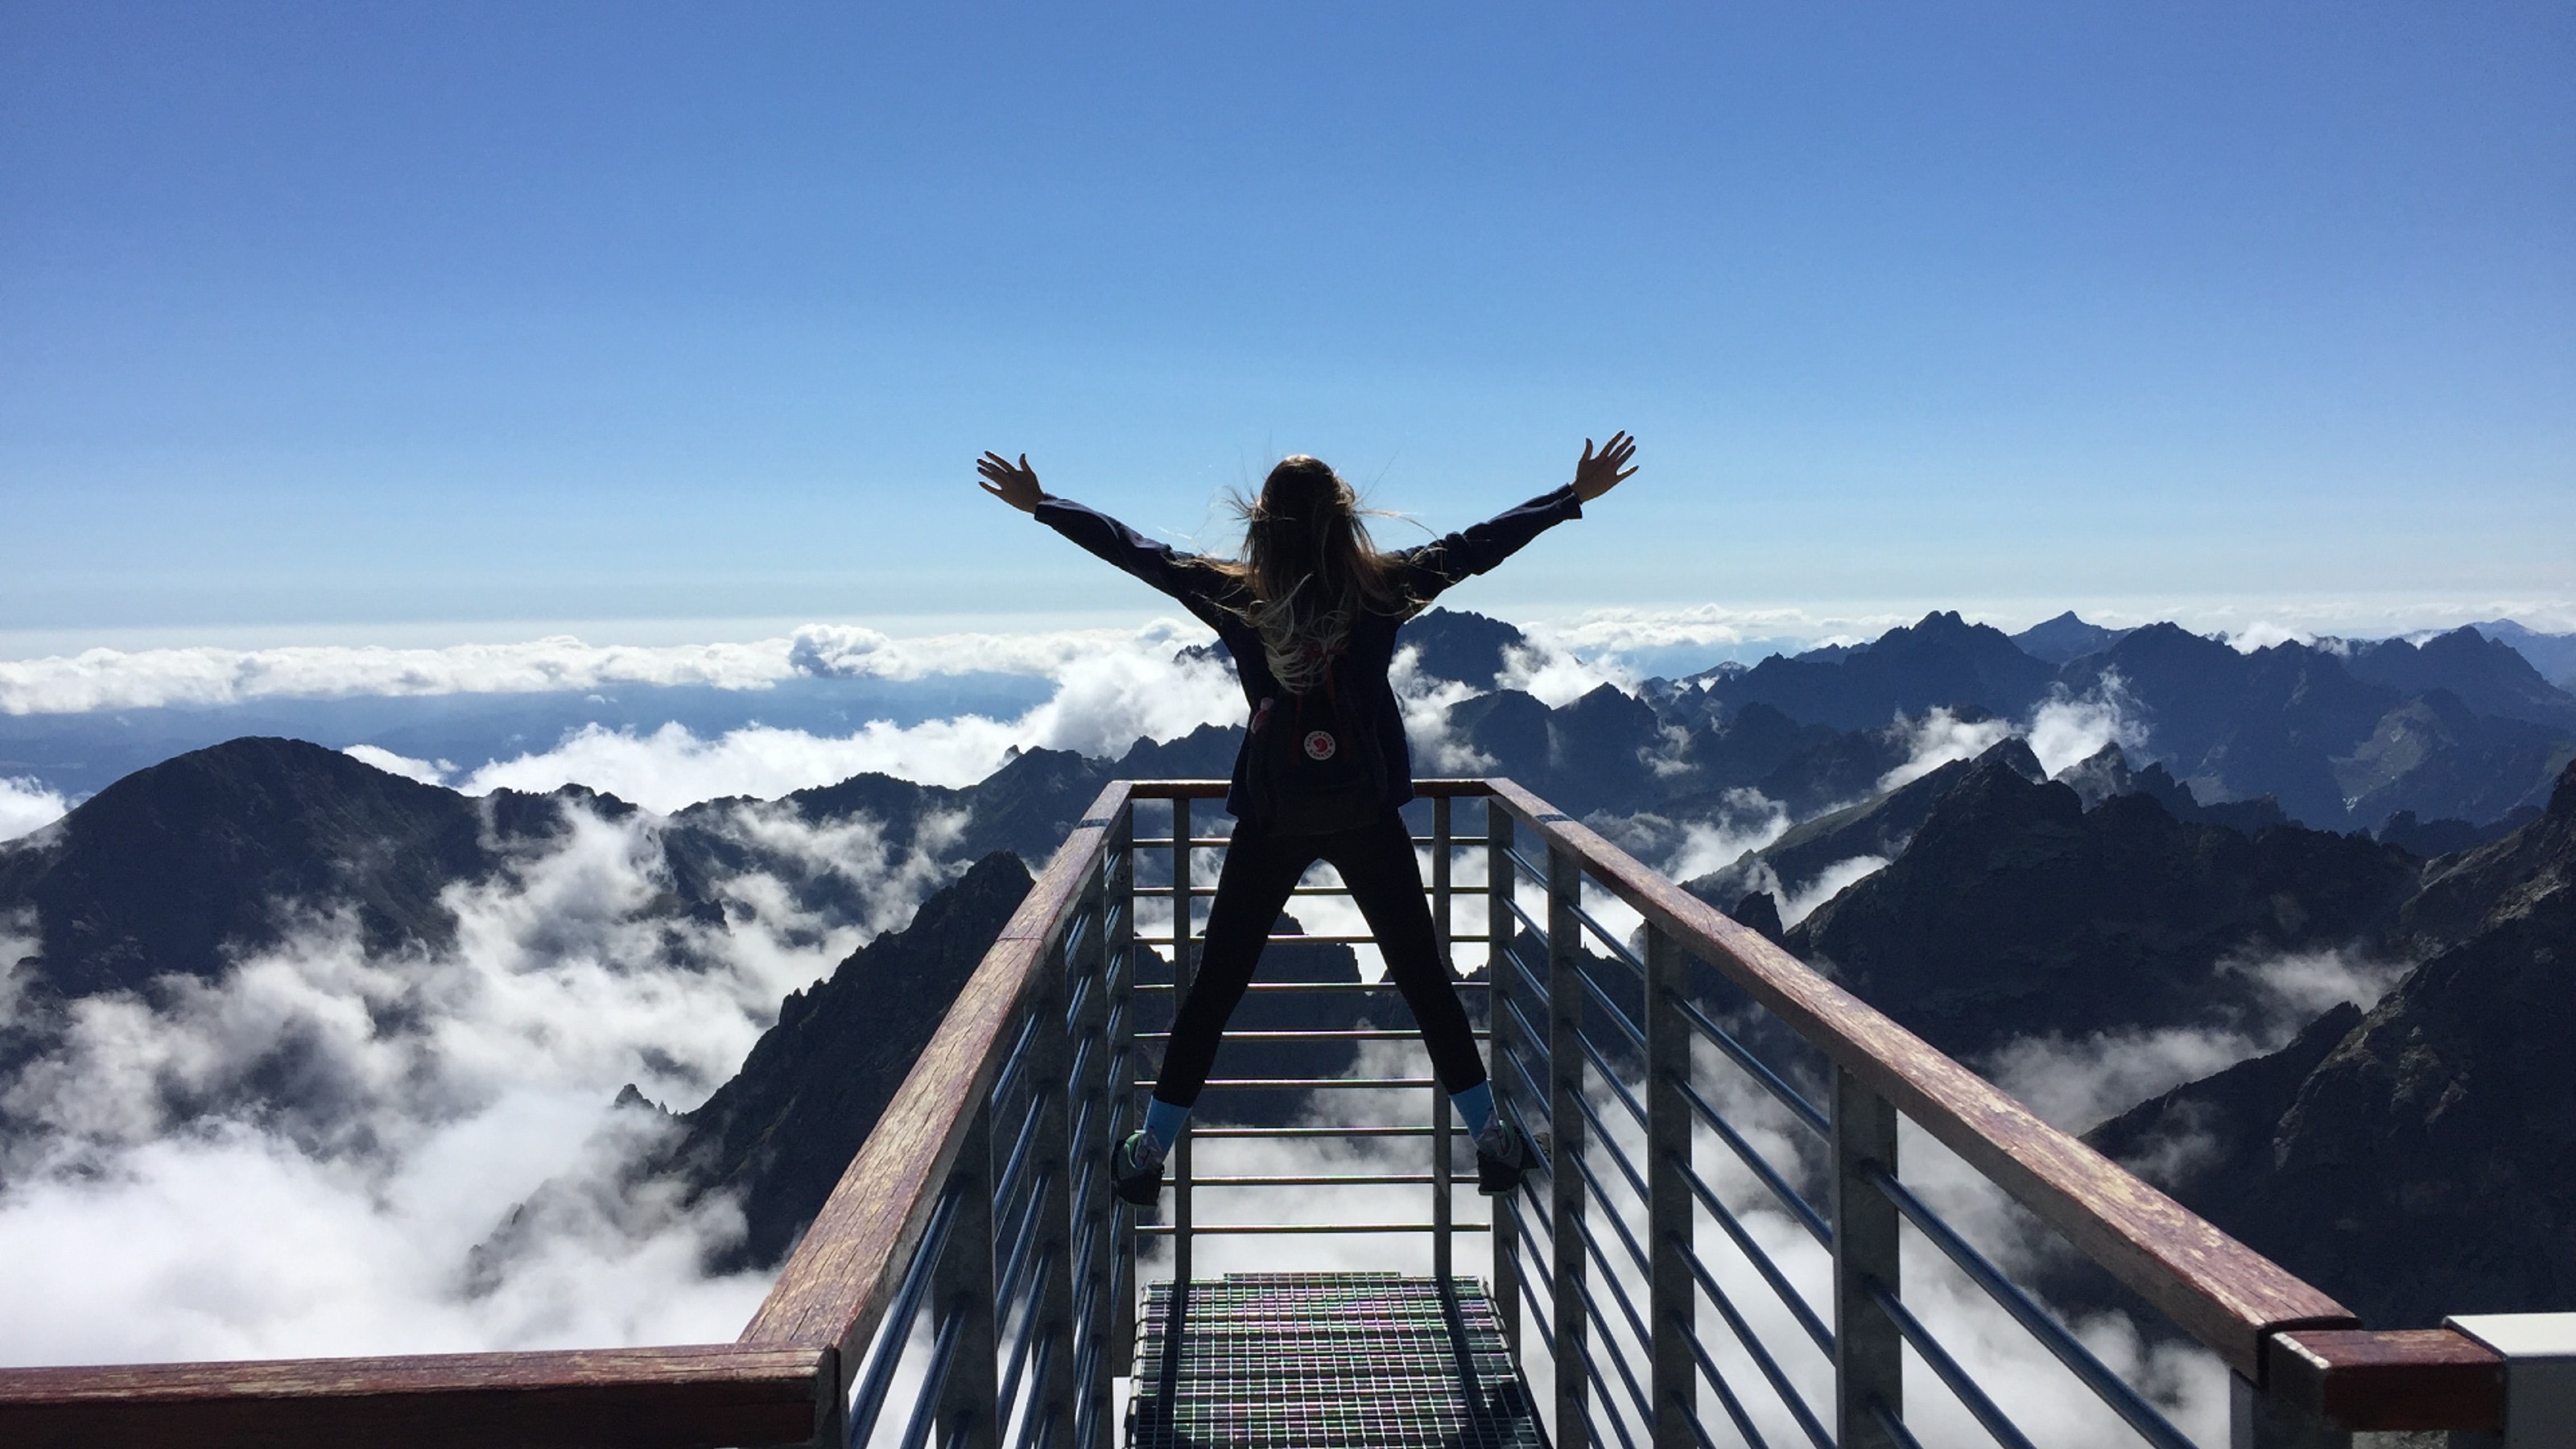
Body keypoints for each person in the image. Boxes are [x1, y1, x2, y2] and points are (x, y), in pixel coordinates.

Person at [974, 436, 1637, 1206]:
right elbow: (1478, 547)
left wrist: (1044, 505)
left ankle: (1150, 1148)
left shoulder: (1235, 595)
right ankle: (1491, 1135)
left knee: (1216, 985)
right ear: (1344, 516)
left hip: (1274, 815)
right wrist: (1570, 495)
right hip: (1364, 813)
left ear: (1262, 524)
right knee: (1424, 977)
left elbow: (1137, 553)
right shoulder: (1384, 590)